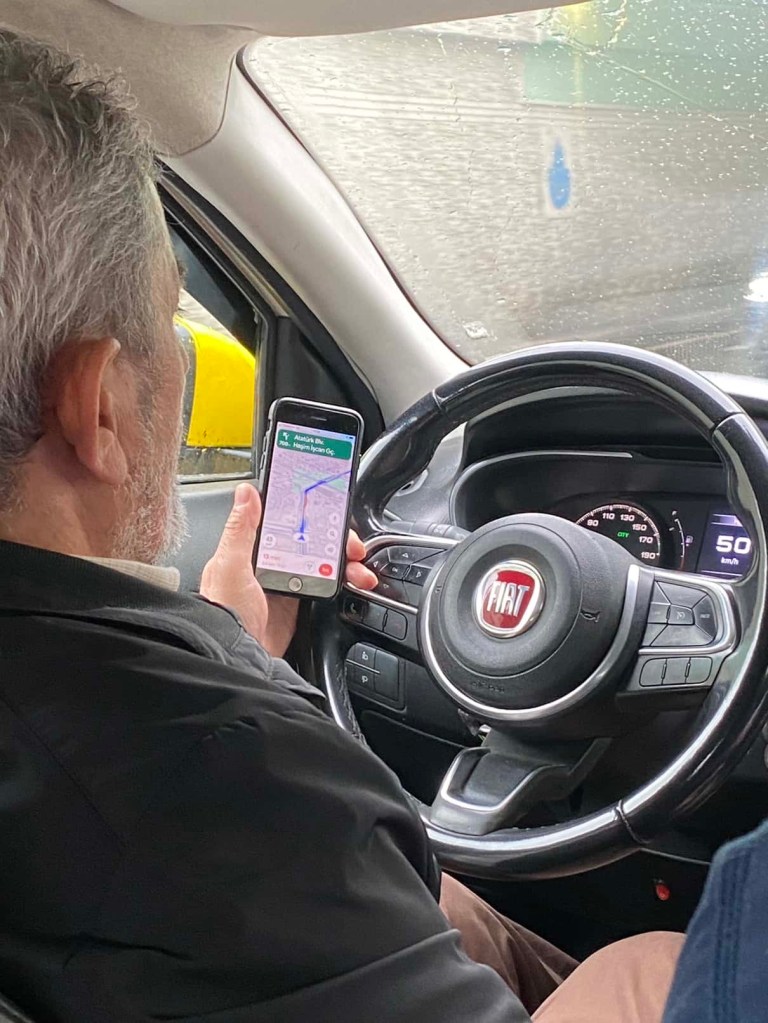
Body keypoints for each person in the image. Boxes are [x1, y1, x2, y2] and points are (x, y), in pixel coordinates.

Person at [0, 30, 684, 1023]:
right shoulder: (221, 780)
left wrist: (235, 641)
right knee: (659, 963)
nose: (182, 360)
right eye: (172, 322)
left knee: (453, 912)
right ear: (97, 405)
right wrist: (248, 704)